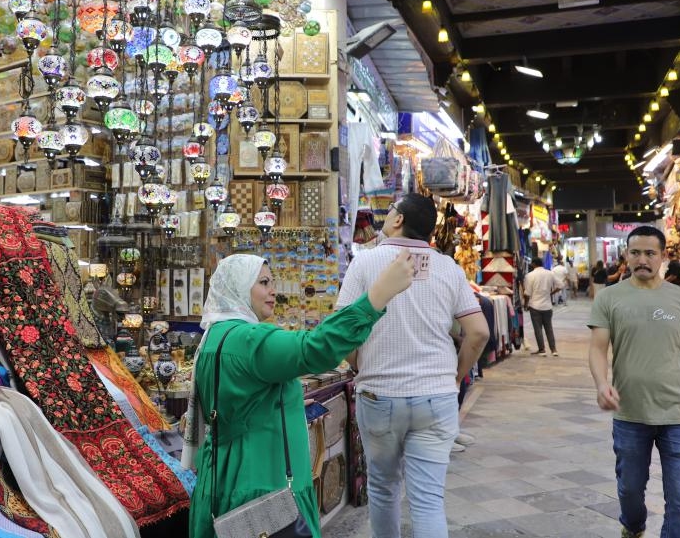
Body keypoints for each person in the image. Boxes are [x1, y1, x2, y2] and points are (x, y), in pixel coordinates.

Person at [185, 251, 416, 538]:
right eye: (263, 282)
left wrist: (289, 403)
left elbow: (239, 404)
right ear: (238, 287)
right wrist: (376, 296)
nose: (273, 290)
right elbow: (317, 348)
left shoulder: (216, 337)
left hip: (226, 476)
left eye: (273, 282)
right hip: (263, 484)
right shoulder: (248, 339)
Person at [336, 193, 489, 538]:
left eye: (390, 211)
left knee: (383, 488)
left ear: (398, 220)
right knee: (428, 500)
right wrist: (454, 376)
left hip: (379, 394)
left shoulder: (366, 262)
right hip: (436, 396)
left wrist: (362, 363)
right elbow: (478, 332)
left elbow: (341, 330)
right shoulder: (448, 268)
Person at [587, 225, 680, 538]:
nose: (642, 259)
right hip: (630, 414)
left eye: (650, 253)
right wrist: (600, 383)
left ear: (663, 256)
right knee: (630, 491)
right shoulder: (609, 298)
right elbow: (597, 348)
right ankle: (633, 527)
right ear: (626, 256)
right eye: (635, 252)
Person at [523, 257, 561, 356]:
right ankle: (554, 350)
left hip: (535, 306)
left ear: (534, 264)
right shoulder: (550, 273)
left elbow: (527, 293)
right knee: (549, 328)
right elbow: (560, 285)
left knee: (538, 329)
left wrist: (526, 304)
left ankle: (542, 350)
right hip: (548, 306)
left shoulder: (529, 275)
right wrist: (551, 293)